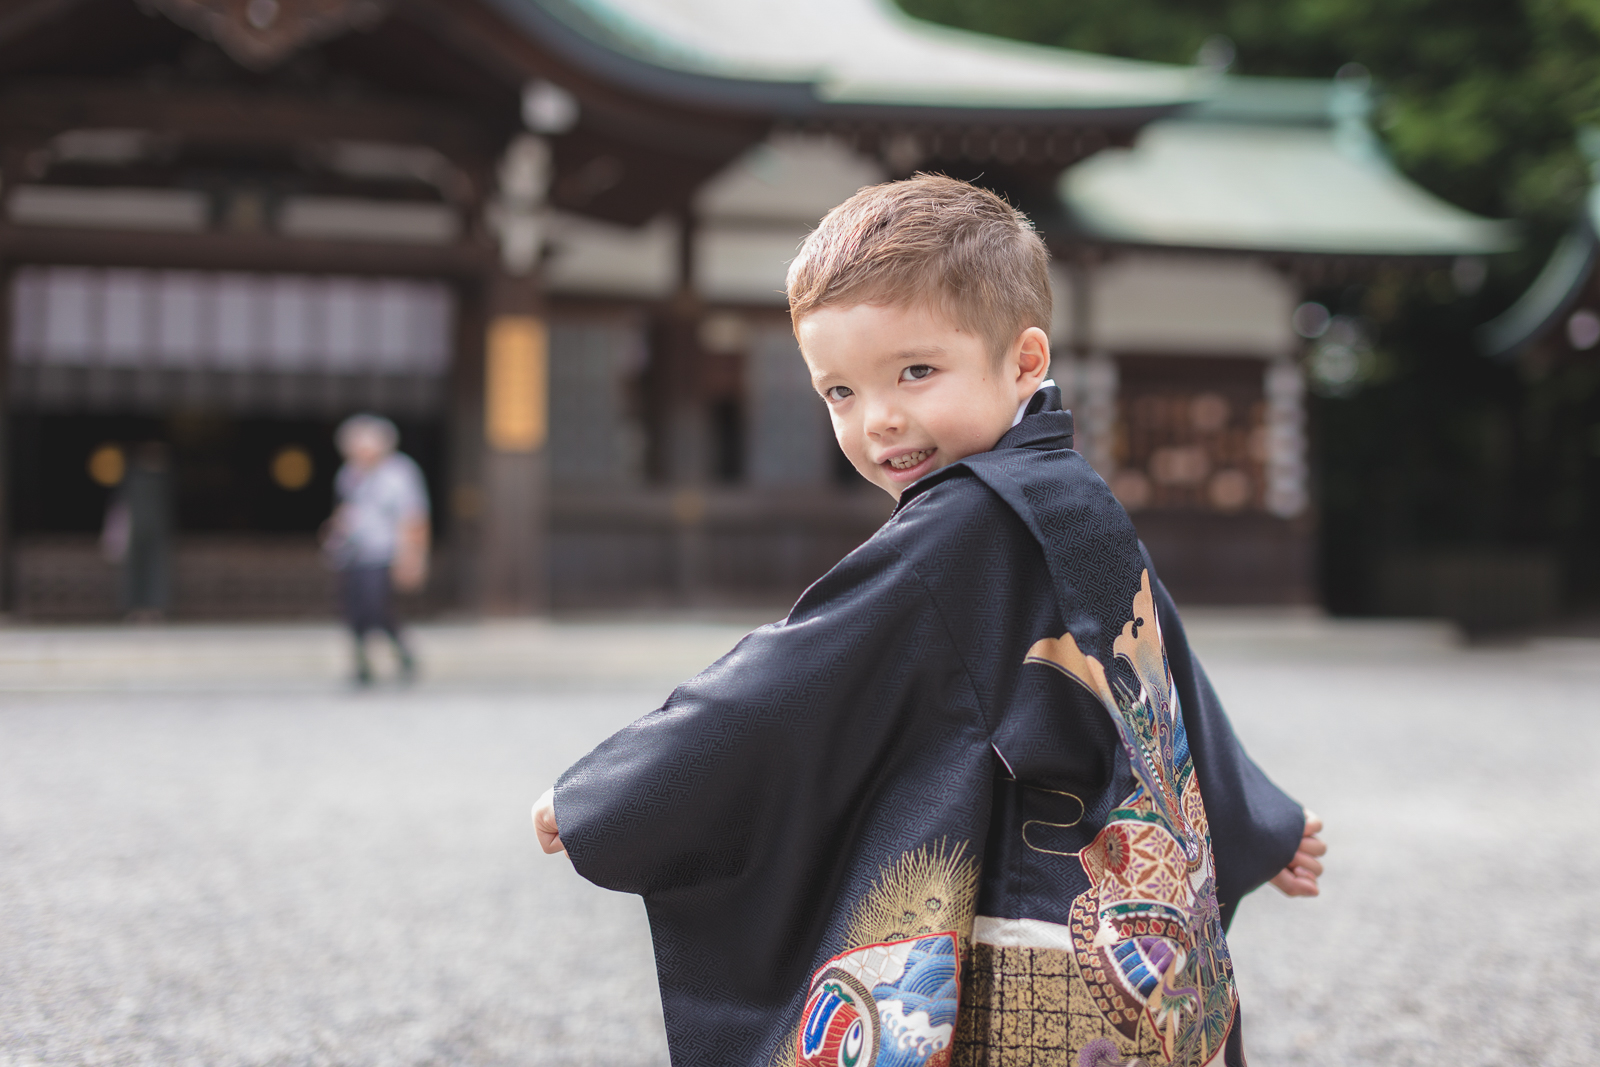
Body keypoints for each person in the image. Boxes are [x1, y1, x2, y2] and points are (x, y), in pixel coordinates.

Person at [532, 176, 1326, 1067]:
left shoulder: (963, 522)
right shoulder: (1074, 497)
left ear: (1026, 360)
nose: (880, 421)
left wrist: (615, 794)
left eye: (915, 371)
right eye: (839, 392)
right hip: (1140, 956)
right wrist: (1259, 814)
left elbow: (796, 676)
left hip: (1036, 946)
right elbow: (1155, 677)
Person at [323, 414, 429, 685]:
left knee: (376, 607)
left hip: (385, 552)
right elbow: (345, 510)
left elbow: (413, 517)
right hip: (352, 552)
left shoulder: (400, 473)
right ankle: (361, 663)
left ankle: (403, 654)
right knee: (353, 609)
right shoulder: (349, 474)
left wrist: (412, 557)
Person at [102, 441, 172, 621]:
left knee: (156, 569)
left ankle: (155, 607)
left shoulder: (162, 478)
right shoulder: (132, 476)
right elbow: (120, 503)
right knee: (134, 570)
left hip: (156, 531)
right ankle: (134, 607)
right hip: (134, 530)